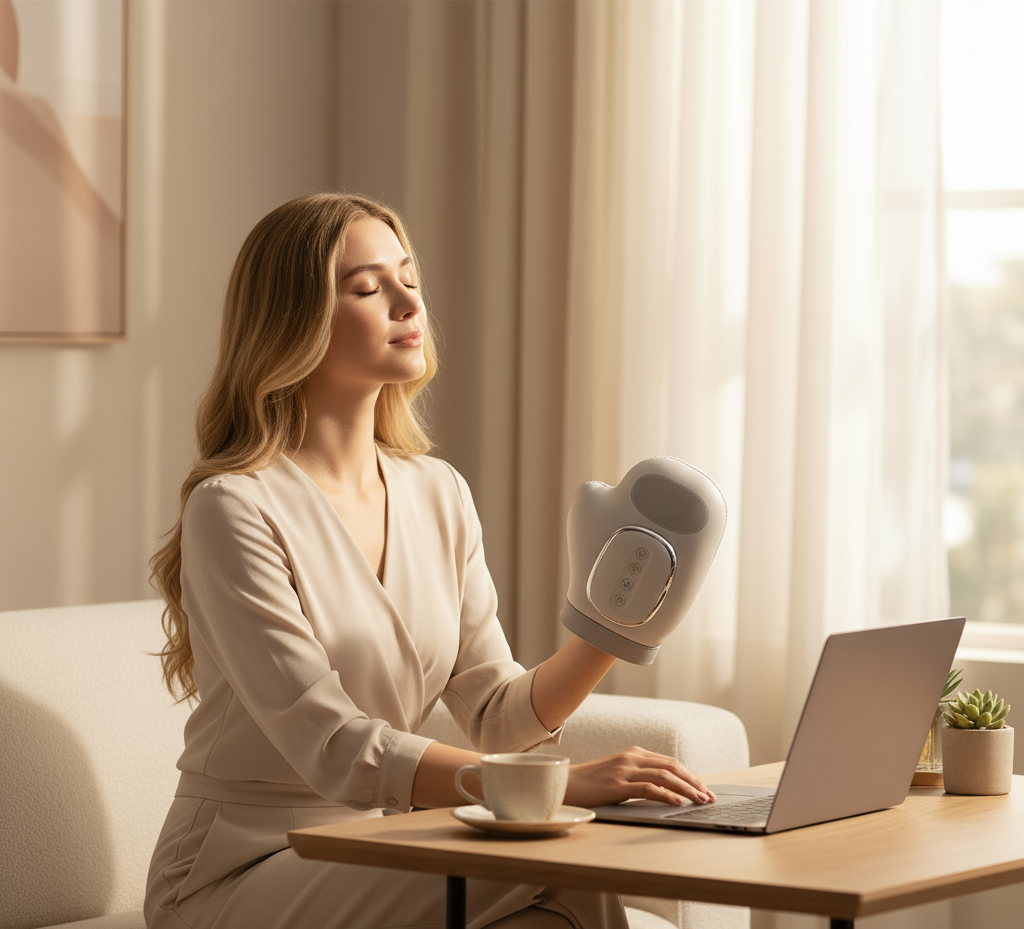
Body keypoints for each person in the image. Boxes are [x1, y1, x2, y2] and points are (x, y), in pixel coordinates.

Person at [145, 192, 715, 929]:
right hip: (240, 864)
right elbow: (332, 744)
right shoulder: (233, 507)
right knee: (563, 868)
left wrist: (610, 632)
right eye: (365, 286)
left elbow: (497, 712)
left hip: (380, 841)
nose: (407, 300)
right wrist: (560, 786)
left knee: (565, 896)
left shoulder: (436, 491)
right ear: (293, 321)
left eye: (407, 276)